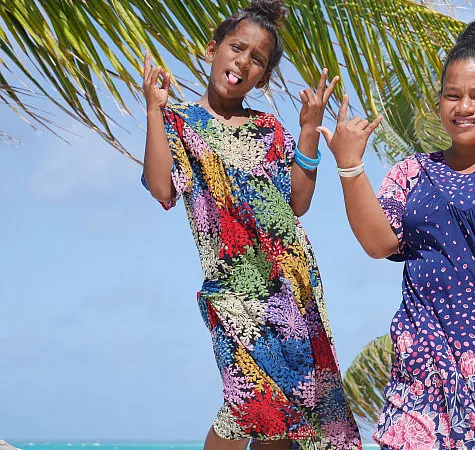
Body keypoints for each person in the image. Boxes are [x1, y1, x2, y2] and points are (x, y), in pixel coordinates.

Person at [318, 17, 475, 450]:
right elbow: (379, 242)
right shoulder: (410, 173)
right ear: (439, 102)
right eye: (452, 95)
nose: (464, 106)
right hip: (423, 364)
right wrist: (350, 166)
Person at [140, 1, 361, 449]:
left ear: (263, 75)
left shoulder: (269, 130)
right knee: (249, 405)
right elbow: (161, 188)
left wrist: (307, 129)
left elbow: (297, 203)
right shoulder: (179, 122)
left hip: (292, 288)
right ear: (212, 50)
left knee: (287, 417)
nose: (244, 61)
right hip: (233, 293)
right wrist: (152, 112)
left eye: (257, 58)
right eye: (237, 48)